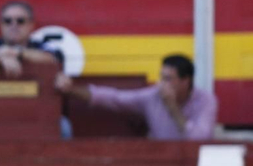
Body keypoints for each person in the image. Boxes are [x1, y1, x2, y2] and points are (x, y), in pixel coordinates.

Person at [55, 53, 216, 138]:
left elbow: (199, 139)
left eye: (168, 79)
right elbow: (112, 98)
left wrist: (173, 109)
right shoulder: (153, 96)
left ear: (185, 81)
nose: (162, 84)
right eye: (162, 77)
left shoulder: (206, 101)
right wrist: (72, 90)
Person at [0, 0, 62, 75]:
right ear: (0, 25)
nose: (13, 25)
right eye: (7, 21)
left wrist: (17, 53)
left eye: (20, 21)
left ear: (31, 25)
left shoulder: (45, 46)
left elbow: (51, 59)